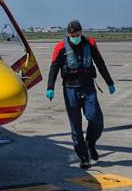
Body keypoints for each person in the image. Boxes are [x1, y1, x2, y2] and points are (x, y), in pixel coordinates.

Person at [45, 19, 115, 169]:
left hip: (88, 87)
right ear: (68, 34)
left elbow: (100, 63)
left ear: (81, 32)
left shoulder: (89, 44)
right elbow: (54, 68)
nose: (74, 37)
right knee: (75, 126)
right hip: (70, 89)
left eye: (76, 34)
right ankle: (83, 157)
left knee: (95, 118)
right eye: (71, 35)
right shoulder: (61, 46)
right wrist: (50, 87)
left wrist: (109, 82)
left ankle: (90, 143)